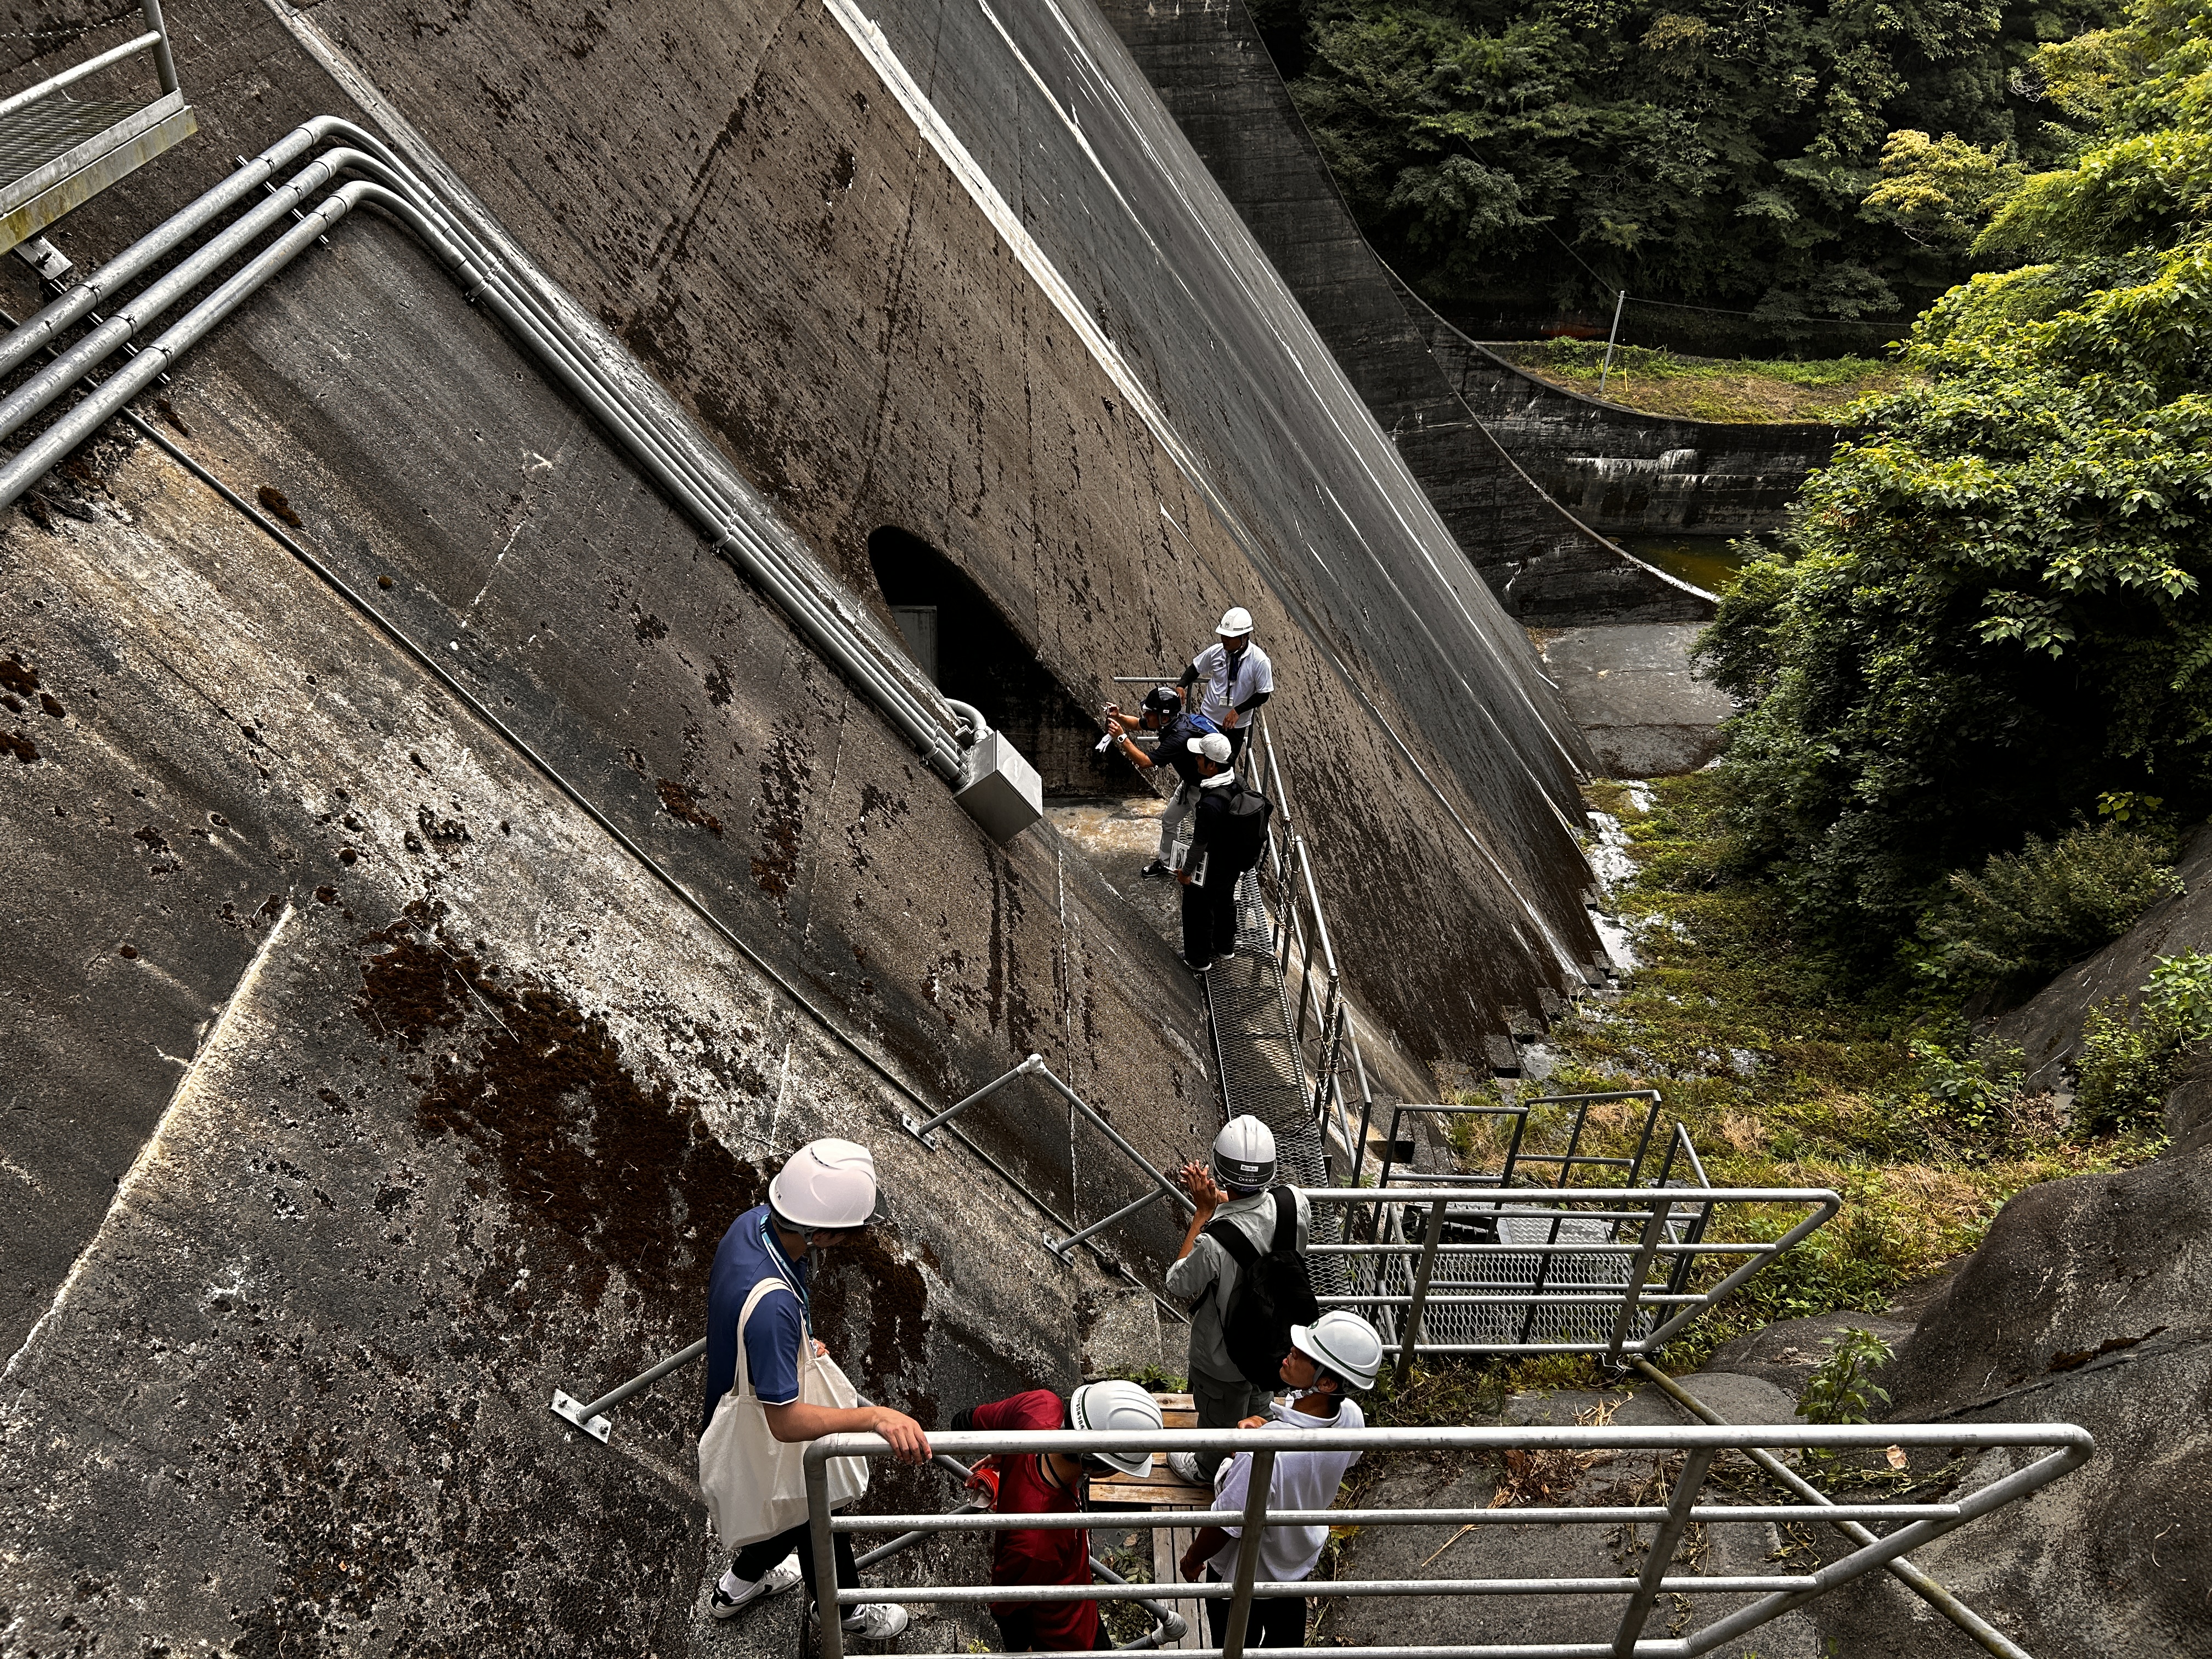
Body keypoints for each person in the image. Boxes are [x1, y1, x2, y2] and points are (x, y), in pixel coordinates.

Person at [700, 1139, 930, 1636]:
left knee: (797, 1516)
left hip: (729, 1397)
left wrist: (796, 1347)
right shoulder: (774, 1308)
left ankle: (735, 1588)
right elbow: (785, 1423)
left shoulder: (752, 1225)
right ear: (822, 1234)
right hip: (758, 1426)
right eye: (849, 1232)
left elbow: (751, 1320)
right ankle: (841, 1612)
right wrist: (875, 1417)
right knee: (814, 1510)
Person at [1177, 1312, 1384, 1649]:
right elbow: (1344, 1461)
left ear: (1327, 1383)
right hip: (1296, 1559)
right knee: (1284, 1641)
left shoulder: (1267, 1452)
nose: (1291, 1351)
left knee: (1233, 1644)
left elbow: (1226, 1523)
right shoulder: (1351, 1418)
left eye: (1303, 1353)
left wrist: (1191, 1560)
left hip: (1244, 1570)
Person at [945, 1380, 1165, 1651]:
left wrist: (1009, 1451)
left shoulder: (1040, 1406)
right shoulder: (1039, 1540)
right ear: (1097, 1468)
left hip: (1073, 1595)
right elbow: (1005, 1608)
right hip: (1065, 1636)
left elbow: (966, 1422)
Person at [1163, 1116, 1312, 1481]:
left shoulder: (1214, 1242)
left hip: (1224, 1356)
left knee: (1219, 1418)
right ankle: (1251, 1460)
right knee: (1260, 1402)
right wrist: (1226, 1199)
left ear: (1218, 1169)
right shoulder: (1295, 1203)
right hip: (1277, 1341)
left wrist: (1204, 1211)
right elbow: (1260, 1207)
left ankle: (1208, 1470)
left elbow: (1178, 1282)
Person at [1176, 731, 1271, 973]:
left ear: (1212, 765)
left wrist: (1186, 873)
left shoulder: (1210, 804)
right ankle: (1225, 948)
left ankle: (1199, 960)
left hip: (1213, 864)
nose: (1197, 760)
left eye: (1200, 758)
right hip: (1233, 862)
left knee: (1199, 909)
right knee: (1226, 902)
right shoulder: (1238, 781)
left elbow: (1199, 843)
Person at [1100, 684, 1218, 878]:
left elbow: (1145, 762)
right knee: (1169, 821)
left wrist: (1121, 737)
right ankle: (1167, 863)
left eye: (1149, 713)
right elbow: (1138, 724)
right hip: (1189, 784)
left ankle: (1209, 876)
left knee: (1206, 836)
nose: (1146, 715)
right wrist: (1119, 717)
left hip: (1204, 791)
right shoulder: (1171, 721)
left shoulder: (1179, 738)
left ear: (1164, 717)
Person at [1178, 607, 1273, 758]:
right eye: (1223, 634)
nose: (1224, 639)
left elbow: (1263, 694)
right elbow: (1195, 668)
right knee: (1197, 758)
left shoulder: (1259, 661)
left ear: (1245, 636)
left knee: (1224, 763)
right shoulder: (1217, 651)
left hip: (1234, 726)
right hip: (1208, 716)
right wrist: (1181, 686)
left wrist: (1237, 711)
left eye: (1230, 636)